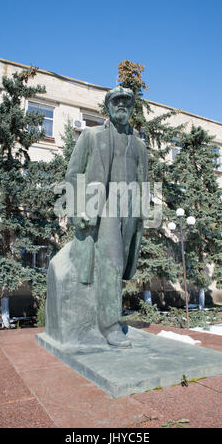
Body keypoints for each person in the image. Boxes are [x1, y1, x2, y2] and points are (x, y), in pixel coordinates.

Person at [65, 86, 148, 348]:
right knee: (112, 262)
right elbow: (74, 173)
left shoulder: (140, 144)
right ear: (108, 106)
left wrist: (143, 213)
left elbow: (143, 181)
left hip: (130, 208)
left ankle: (109, 318)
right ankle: (110, 326)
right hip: (103, 208)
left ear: (132, 107)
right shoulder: (91, 136)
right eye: (116, 101)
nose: (121, 105)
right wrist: (76, 209)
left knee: (121, 265)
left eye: (126, 101)